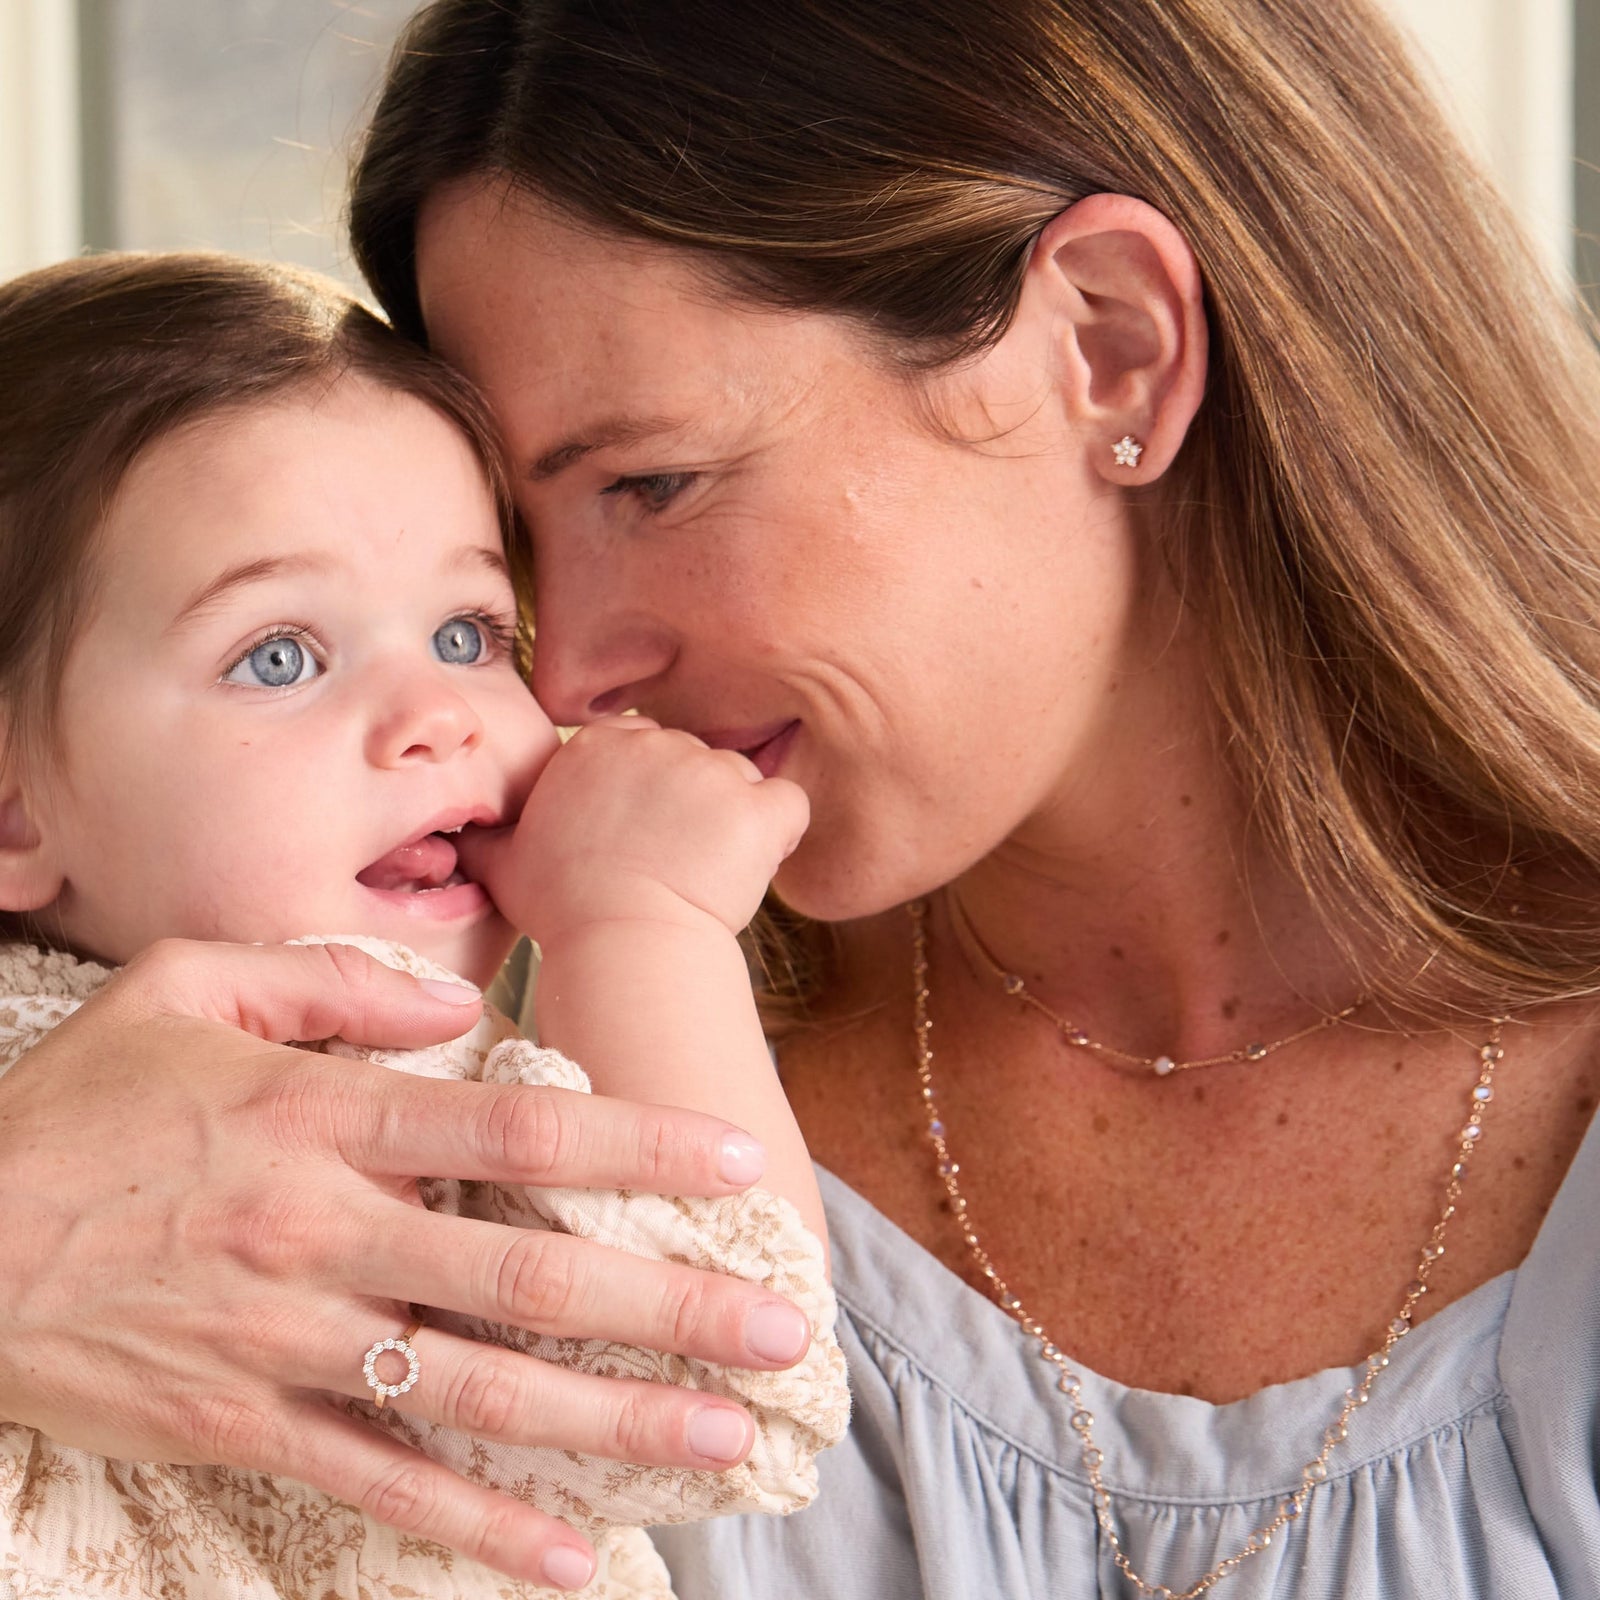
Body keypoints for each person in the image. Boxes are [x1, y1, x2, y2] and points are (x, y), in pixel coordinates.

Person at [338, 0, 1600, 1595]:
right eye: (512, 549)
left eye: (651, 484)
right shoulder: (548, 1074)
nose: (568, 666)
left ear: (1110, 345)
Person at [0, 252, 846, 1600]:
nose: (437, 716)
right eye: (280, 656)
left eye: (467, 632)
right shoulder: (362, 1103)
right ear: (11, 807)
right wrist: (641, 927)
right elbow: (715, 1383)